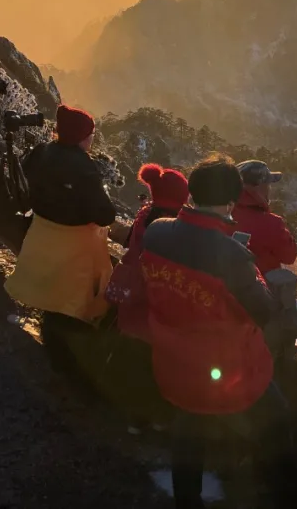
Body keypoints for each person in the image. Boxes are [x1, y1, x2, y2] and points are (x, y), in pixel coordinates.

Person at [140, 154, 297, 509]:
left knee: (188, 426)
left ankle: (187, 498)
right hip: (229, 370)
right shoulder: (231, 256)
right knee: (276, 419)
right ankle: (280, 492)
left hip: (172, 362)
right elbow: (263, 310)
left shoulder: (157, 231)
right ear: (230, 200)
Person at [4, 104, 117, 373]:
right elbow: (105, 214)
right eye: (90, 134)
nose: (92, 139)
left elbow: (23, 179)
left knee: (48, 286)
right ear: (80, 136)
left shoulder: (42, 152)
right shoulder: (83, 167)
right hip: (73, 243)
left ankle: (49, 334)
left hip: (42, 231)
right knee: (68, 300)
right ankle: (67, 360)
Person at [104, 163, 190, 433]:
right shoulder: (175, 224)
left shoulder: (145, 213)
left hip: (132, 289)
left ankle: (123, 409)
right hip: (154, 295)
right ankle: (148, 418)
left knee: (130, 350)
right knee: (151, 361)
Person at [232, 160, 297, 276]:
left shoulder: (222, 213)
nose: (269, 188)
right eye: (267, 184)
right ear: (257, 187)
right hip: (260, 289)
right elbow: (289, 257)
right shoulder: (272, 224)